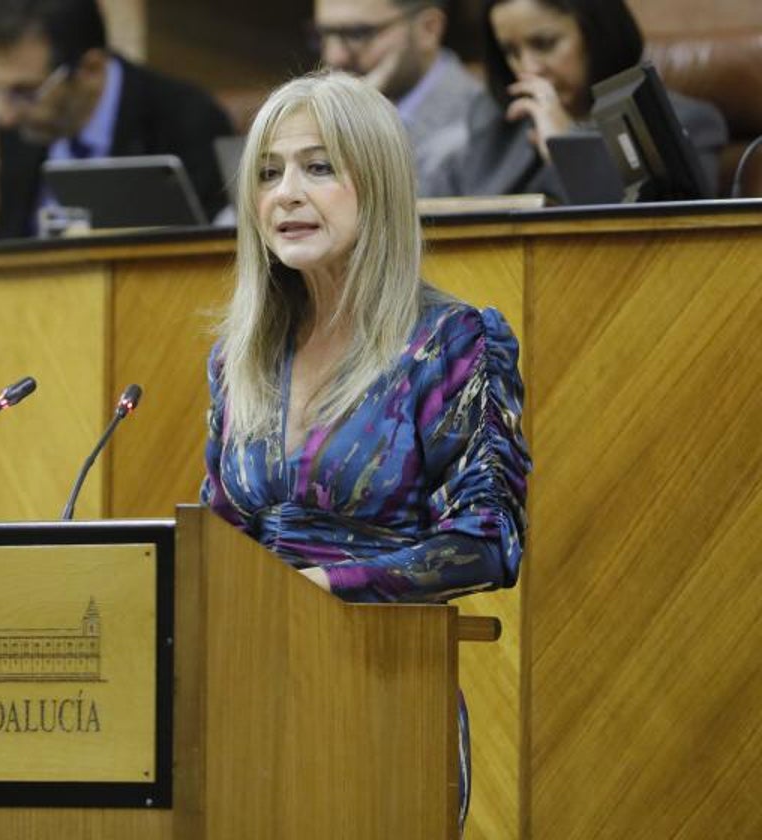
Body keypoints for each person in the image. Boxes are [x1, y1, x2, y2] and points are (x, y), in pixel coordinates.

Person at [200, 71, 531, 831]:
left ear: (376, 185)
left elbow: (488, 541)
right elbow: (222, 534)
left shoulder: (449, 344)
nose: (286, 193)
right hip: (248, 693)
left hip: (379, 689)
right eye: (267, 172)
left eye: (318, 167)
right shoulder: (240, 357)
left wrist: (322, 586)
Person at [425, 0, 727, 199]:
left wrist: (566, 144)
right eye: (511, 52)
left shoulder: (684, 123)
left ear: (596, 33)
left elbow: (660, 244)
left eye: (544, 44)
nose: (528, 68)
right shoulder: (499, 116)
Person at [0, 0, 234, 239]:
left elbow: (210, 263)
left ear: (91, 69)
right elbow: (5, 247)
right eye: (4, 91)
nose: (7, 116)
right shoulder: (22, 131)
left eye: (26, 92)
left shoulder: (188, 119)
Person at [312, 0, 485, 194]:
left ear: (428, 29)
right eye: (323, 35)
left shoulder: (477, 126)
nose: (334, 56)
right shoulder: (321, 114)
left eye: (358, 34)